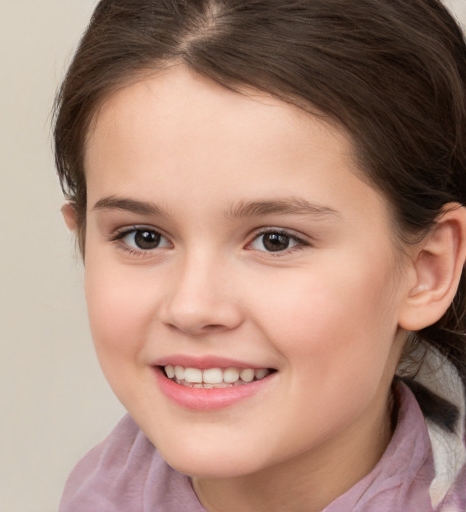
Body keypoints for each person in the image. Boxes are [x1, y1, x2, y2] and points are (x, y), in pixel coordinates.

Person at [54, 1, 466, 510]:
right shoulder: (96, 490)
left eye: (276, 240)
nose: (192, 307)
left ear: (428, 269)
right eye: (143, 237)